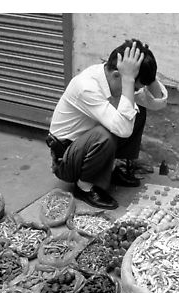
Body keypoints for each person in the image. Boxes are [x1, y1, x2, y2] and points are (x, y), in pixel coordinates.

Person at [47, 39, 168, 209]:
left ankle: (111, 169)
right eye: (133, 86)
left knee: (136, 110)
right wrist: (128, 81)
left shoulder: (114, 79)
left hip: (86, 144)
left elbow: (157, 102)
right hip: (67, 160)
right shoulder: (87, 86)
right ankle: (85, 186)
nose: (133, 90)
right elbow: (123, 130)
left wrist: (147, 72)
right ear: (118, 75)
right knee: (106, 134)